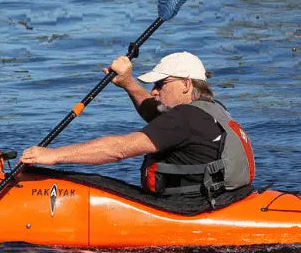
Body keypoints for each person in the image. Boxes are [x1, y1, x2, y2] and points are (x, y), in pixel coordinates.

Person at [20, 51, 255, 206]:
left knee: (89, 182)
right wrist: (127, 83)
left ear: (186, 84)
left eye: (161, 84)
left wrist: (52, 156)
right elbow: (154, 113)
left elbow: (118, 149)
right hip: (221, 199)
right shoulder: (210, 111)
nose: (154, 91)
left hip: (188, 208)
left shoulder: (184, 118)